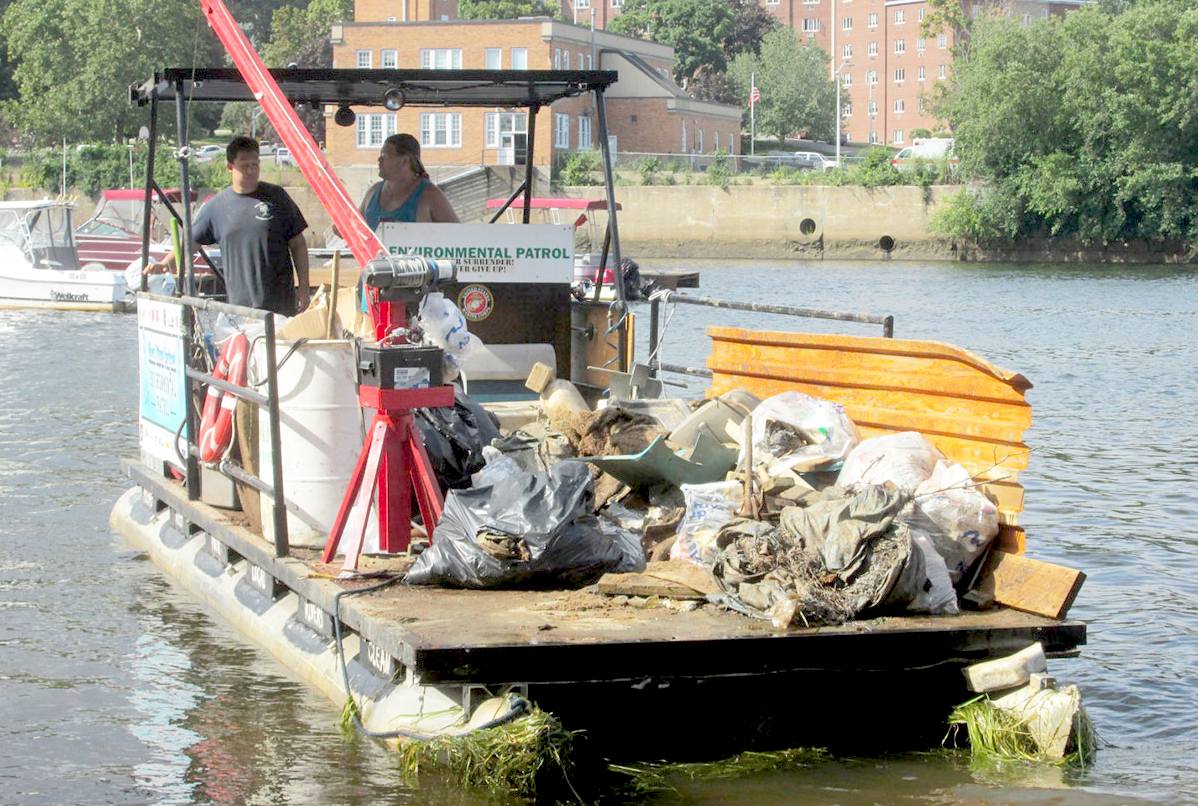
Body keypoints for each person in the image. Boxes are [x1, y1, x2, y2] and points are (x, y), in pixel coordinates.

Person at [148, 137, 310, 315]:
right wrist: (164, 264)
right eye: (244, 165)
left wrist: (303, 287)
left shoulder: (277, 197)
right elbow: (191, 242)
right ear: (230, 167)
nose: (250, 171)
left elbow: (298, 244)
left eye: (255, 164)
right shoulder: (216, 207)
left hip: (280, 305)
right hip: (239, 308)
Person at [360, 133, 459, 229]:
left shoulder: (429, 195)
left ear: (405, 160)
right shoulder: (373, 192)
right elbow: (353, 229)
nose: (379, 159)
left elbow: (459, 236)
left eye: (385, 156)